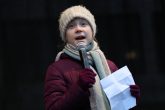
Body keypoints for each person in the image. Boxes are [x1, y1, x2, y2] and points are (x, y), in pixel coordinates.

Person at [44, 5, 140, 110]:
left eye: (83, 24)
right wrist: (79, 87)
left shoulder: (110, 65)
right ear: (65, 36)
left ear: (92, 31)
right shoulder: (56, 69)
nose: (78, 29)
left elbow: (119, 106)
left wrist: (130, 97)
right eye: (71, 26)